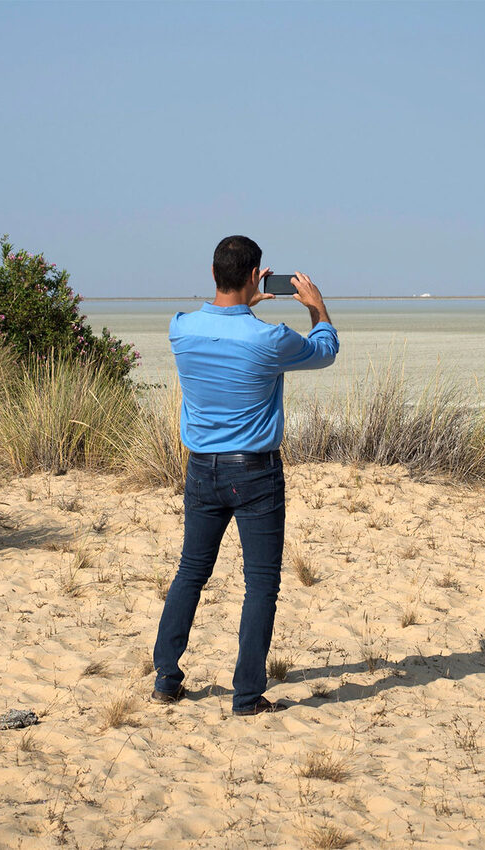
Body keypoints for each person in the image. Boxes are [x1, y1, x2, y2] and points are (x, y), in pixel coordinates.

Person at [152, 235, 339, 716]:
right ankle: (247, 695)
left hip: (199, 470)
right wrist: (317, 308)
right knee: (260, 584)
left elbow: (221, 320)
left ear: (214, 274)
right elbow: (325, 351)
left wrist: (241, 302)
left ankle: (167, 679)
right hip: (254, 473)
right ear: (256, 276)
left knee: (191, 573)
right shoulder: (269, 339)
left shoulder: (180, 329)